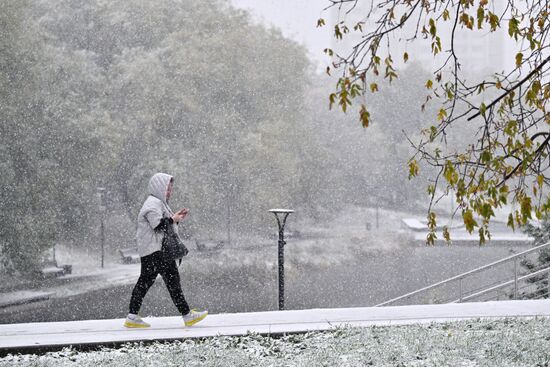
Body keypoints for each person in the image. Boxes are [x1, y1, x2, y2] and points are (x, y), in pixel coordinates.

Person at [124, 172, 208, 328]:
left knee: (147, 282)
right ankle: (187, 315)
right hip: (156, 252)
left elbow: (164, 225)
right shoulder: (152, 204)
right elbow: (157, 225)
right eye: (167, 189)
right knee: (171, 282)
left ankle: (132, 316)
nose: (169, 192)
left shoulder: (158, 203)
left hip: (154, 251)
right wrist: (173, 219)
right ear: (158, 187)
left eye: (170, 189)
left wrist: (176, 218)